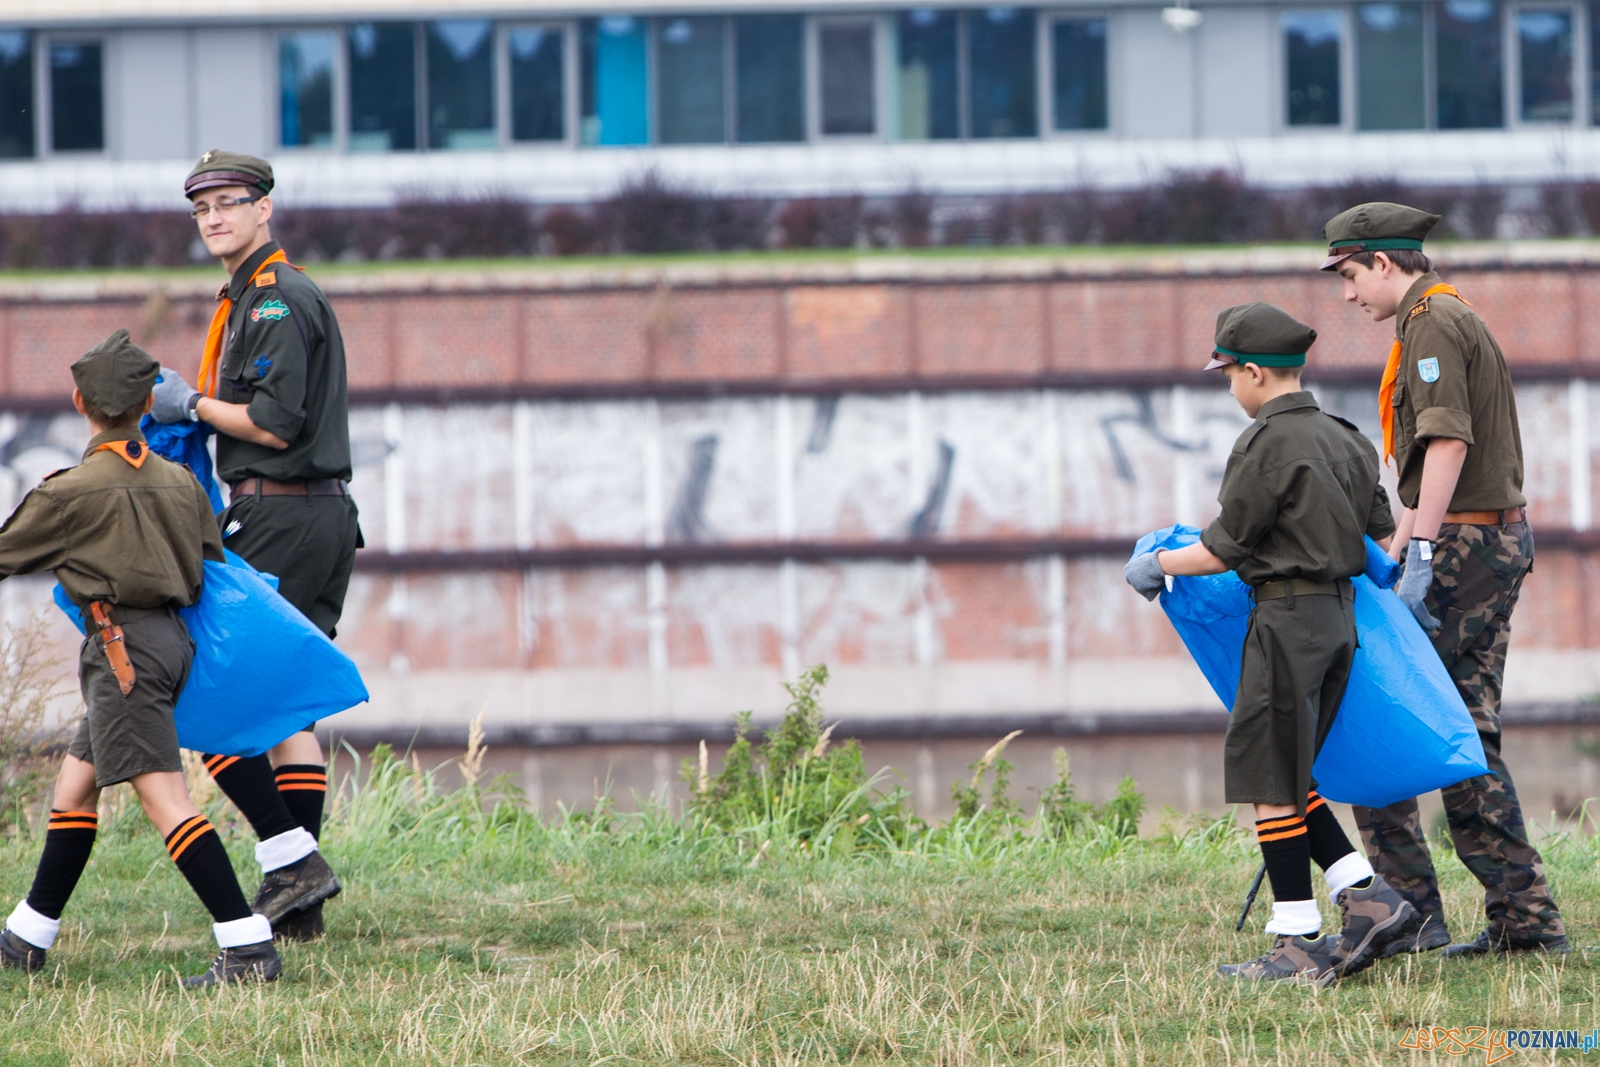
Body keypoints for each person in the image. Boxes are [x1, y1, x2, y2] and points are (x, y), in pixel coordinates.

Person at [1124, 302, 1418, 984]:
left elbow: (1222, 548)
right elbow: (1381, 541)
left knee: (1269, 777)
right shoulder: (1347, 438)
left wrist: (1157, 564)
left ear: (1255, 372)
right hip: (1338, 622)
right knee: (1289, 770)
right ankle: (1369, 899)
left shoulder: (1264, 444)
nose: (1230, 388)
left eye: (1230, 374)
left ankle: (1297, 941)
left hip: (1287, 622)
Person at [1323, 202, 1568, 957]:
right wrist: (1402, 542)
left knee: (1386, 713)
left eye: (1351, 275)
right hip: (1485, 536)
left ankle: (1409, 915)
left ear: (1384, 263)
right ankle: (1520, 920)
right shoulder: (1443, 316)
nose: (1347, 294)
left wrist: (1422, 549)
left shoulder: (1431, 324)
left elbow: (1448, 443)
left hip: (1465, 543)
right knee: (1465, 730)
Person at [0, 331, 280, 986]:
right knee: (74, 788)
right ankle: (26, 938)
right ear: (147, 403)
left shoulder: (68, 493)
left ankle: (247, 947)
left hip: (124, 658)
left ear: (81, 403)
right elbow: (213, 563)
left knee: (167, 803)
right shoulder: (181, 482)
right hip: (171, 647)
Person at [150, 150, 357, 940]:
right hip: (311, 513)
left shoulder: (273, 299)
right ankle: (298, 902)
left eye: (229, 202)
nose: (214, 217)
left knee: (212, 694)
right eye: (201, 207)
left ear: (264, 207)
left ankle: (290, 859)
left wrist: (191, 405)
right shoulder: (251, 295)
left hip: (281, 514)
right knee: (283, 710)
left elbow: (272, 424)